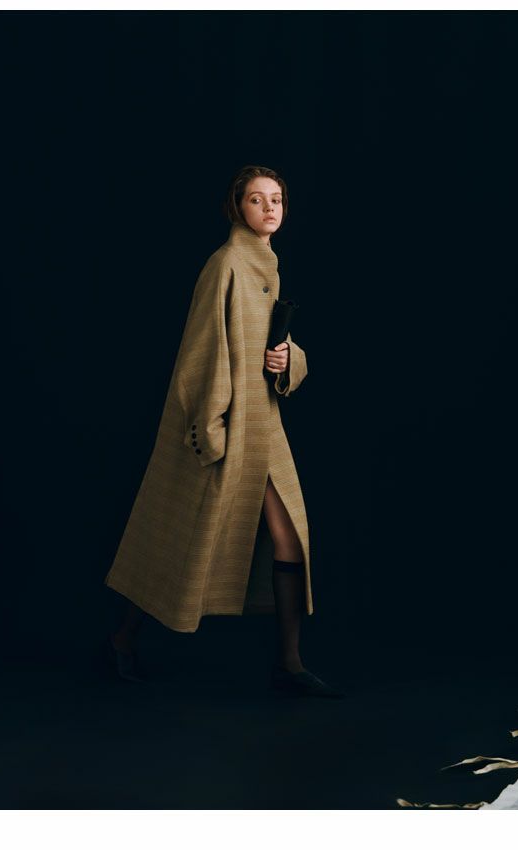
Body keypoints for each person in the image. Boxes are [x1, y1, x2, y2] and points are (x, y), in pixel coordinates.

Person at [104, 164, 343, 698]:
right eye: (257, 199)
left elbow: (265, 340)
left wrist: (286, 357)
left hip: (263, 424)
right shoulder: (226, 263)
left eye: (276, 199)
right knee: (179, 536)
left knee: (290, 538)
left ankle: (289, 664)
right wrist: (209, 426)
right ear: (237, 207)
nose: (270, 208)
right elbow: (201, 348)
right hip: (227, 423)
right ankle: (122, 638)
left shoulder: (265, 263)